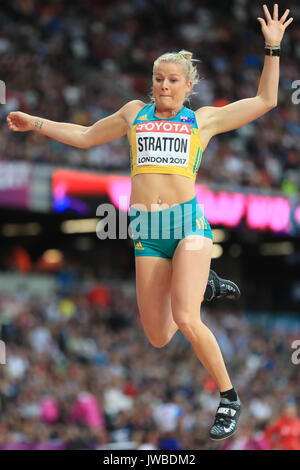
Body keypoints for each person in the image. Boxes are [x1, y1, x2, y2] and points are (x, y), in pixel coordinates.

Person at [6, 3, 293, 441]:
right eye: (159, 79)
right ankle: (202, 281)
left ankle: (229, 396)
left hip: (188, 227)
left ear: (188, 85)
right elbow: (84, 138)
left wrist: (272, 49)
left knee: (187, 315)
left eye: (173, 80)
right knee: (159, 335)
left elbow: (266, 101)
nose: (163, 86)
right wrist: (36, 123)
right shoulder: (132, 114)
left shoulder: (202, 120)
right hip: (147, 230)